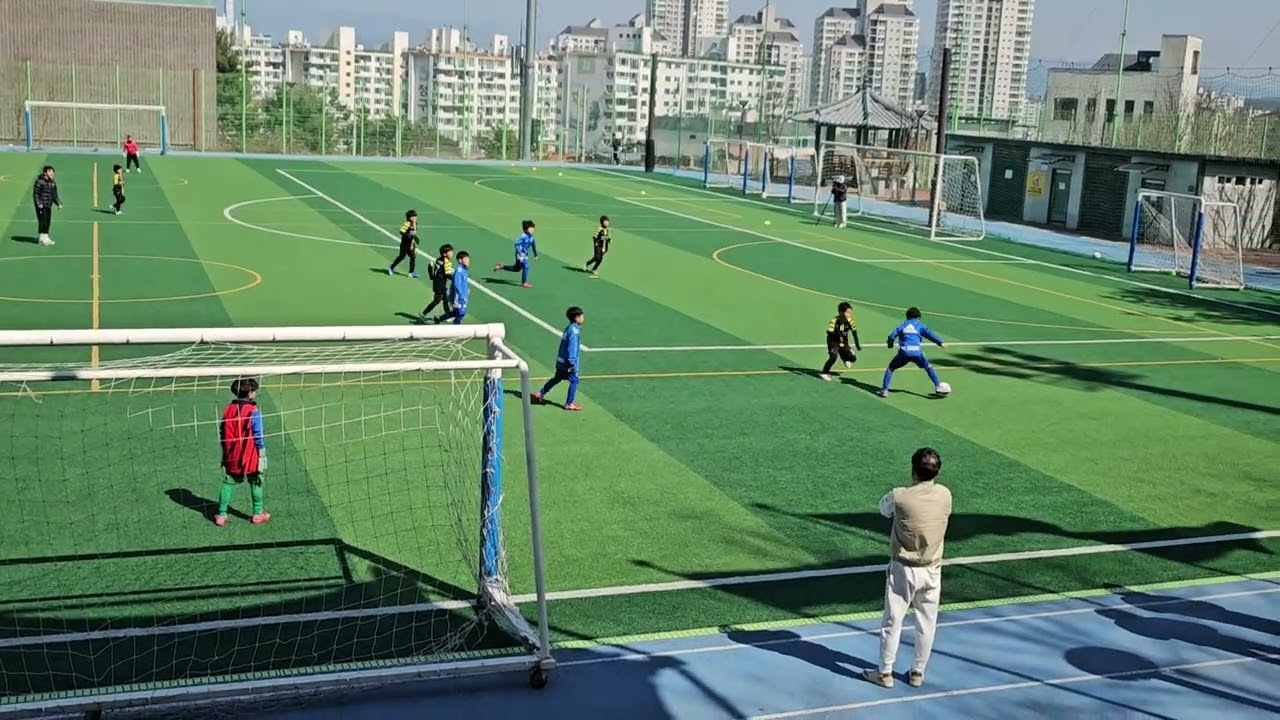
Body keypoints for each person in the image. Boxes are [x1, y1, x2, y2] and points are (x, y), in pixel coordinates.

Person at [864, 447, 951, 689]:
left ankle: (885, 672)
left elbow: (883, 509)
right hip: (932, 568)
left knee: (892, 621)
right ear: (937, 472)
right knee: (927, 623)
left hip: (903, 568)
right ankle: (917, 672)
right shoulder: (945, 495)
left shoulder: (900, 496)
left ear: (913, 471)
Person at [216, 377, 269, 527]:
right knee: (256, 480)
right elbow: (258, 433)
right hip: (250, 453)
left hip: (232, 453)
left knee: (228, 481)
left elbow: (222, 431)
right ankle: (258, 514)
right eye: (254, 391)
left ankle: (221, 515)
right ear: (250, 393)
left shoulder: (228, 409)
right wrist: (262, 451)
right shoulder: (253, 411)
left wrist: (226, 448)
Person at [881, 307, 947, 397]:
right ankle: (938, 386)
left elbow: (891, 336)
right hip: (917, 353)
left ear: (907, 316)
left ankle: (885, 390)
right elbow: (930, 334)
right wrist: (940, 342)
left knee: (891, 368)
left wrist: (890, 344)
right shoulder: (920, 326)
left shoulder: (902, 325)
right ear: (919, 317)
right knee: (928, 367)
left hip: (904, 353)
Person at [532, 306, 584, 411]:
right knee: (574, 380)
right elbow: (572, 348)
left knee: (557, 378)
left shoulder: (569, 328)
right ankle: (569, 403)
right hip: (568, 362)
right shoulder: (574, 331)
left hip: (561, 360)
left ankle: (540, 393)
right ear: (576, 317)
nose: (583, 318)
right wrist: (572, 362)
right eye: (581, 315)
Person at [820, 301, 862, 381]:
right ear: (841, 312)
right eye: (847, 313)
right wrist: (838, 336)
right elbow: (829, 332)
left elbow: (854, 333)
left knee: (853, 358)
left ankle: (845, 359)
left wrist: (857, 345)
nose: (849, 315)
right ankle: (824, 373)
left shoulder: (850, 321)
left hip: (844, 343)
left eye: (850, 313)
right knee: (833, 357)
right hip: (833, 342)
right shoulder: (834, 321)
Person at [494, 220, 537, 287]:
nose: (533, 230)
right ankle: (524, 283)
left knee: (516, 269)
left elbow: (534, 246)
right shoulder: (523, 236)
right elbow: (516, 244)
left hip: (525, 255)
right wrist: (520, 252)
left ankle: (501, 266)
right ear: (526, 229)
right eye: (531, 228)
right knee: (526, 266)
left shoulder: (531, 238)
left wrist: (536, 255)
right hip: (520, 254)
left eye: (533, 228)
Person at [436, 251, 470, 325]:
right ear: (460, 260)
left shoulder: (464, 270)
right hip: (458, 297)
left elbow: (462, 283)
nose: (468, 261)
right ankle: (455, 327)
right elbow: (457, 284)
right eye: (466, 259)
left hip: (462, 295)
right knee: (461, 312)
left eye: (468, 259)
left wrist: (466, 289)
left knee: (456, 312)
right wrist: (461, 295)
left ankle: (440, 319)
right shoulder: (459, 271)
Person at [421, 243, 454, 319]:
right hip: (440, 284)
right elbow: (448, 275)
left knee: (445, 299)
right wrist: (456, 279)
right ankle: (423, 314)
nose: (452, 253)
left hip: (437, 282)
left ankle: (448, 315)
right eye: (450, 252)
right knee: (437, 300)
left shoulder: (439, 259)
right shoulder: (447, 262)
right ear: (444, 254)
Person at [32, 165, 62, 246]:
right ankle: (41, 238)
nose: (52, 173)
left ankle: (46, 237)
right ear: (45, 173)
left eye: (53, 172)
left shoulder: (52, 182)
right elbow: (36, 195)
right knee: (42, 222)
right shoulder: (39, 182)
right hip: (42, 206)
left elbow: (54, 195)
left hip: (48, 205)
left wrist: (58, 203)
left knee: (48, 222)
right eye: (50, 172)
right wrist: (39, 204)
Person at [389, 210, 418, 277]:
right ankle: (391, 267)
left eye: (415, 216)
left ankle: (411, 271)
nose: (415, 218)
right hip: (405, 244)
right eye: (413, 216)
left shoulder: (415, 224)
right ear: (409, 217)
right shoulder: (407, 224)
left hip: (411, 244)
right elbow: (401, 231)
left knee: (413, 256)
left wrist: (414, 241)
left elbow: (414, 233)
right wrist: (408, 235)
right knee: (401, 257)